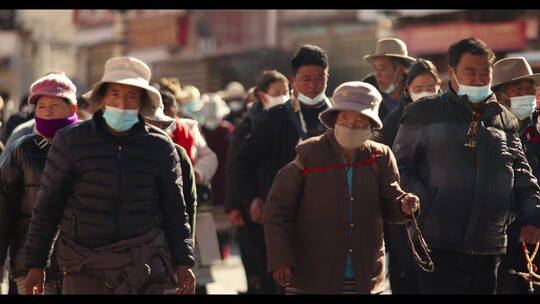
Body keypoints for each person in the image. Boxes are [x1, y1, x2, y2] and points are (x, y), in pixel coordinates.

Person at [23, 56, 196, 295]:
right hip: (84, 268)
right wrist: (36, 265)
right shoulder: (71, 142)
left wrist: (183, 262)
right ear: (102, 99)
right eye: (115, 94)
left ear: (141, 103)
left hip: (143, 265)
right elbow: (48, 206)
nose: (122, 103)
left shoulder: (160, 147)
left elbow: (175, 209)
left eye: (131, 96)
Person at [393, 38, 540, 294]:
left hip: (490, 243)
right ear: (452, 73)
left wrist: (533, 215)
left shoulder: (505, 119)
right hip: (437, 242)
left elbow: (521, 172)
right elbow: (400, 167)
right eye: (470, 72)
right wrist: (424, 203)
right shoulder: (424, 113)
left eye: (485, 72)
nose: (478, 79)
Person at [264, 81, 420, 294]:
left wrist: (404, 204)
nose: (351, 125)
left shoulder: (380, 156)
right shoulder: (309, 153)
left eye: (360, 120)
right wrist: (281, 259)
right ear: (334, 119)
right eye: (345, 118)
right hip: (312, 275)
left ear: (370, 124)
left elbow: (390, 201)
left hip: (364, 275)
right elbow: (276, 210)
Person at [234, 45, 332, 293]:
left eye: (320, 78)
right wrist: (252, 198)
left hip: (329, 220)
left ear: (328, 77)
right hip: (284, 220)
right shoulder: (275, 118)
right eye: (306, 79)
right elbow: (243, 162)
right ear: (293, 80)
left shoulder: (338, 117)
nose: (313, 85)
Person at [0, 73, 80, 295]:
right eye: (41, 106)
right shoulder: (23, 149)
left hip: (81, 266)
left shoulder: (89, 148)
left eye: (54, 105)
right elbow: (3, 207)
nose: (47, 111)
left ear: (73, 109)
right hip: (28, 262)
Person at [225, 70, 289, 294]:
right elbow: (235, 166)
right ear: (263, 96)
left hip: (280, 202)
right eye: (278, 92)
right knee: (259, 264)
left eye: (286, 92)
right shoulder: (249, 124)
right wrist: (235, 204)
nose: (284, 96)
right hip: (252, 203)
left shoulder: (291, 120)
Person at [491, 57, 540, 294]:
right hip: (498, 236)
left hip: (534, 234)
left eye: (529, 88)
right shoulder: (488, 130)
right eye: (517, 89)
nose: (525, 94)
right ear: (500, 96)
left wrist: (535, 221)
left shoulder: (537, 128)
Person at [363, 38, 416, 122]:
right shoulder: (367, 90)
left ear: (400, 69)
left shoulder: (415, 88)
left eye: (382, 69)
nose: (378, 75)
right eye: (375, 69)